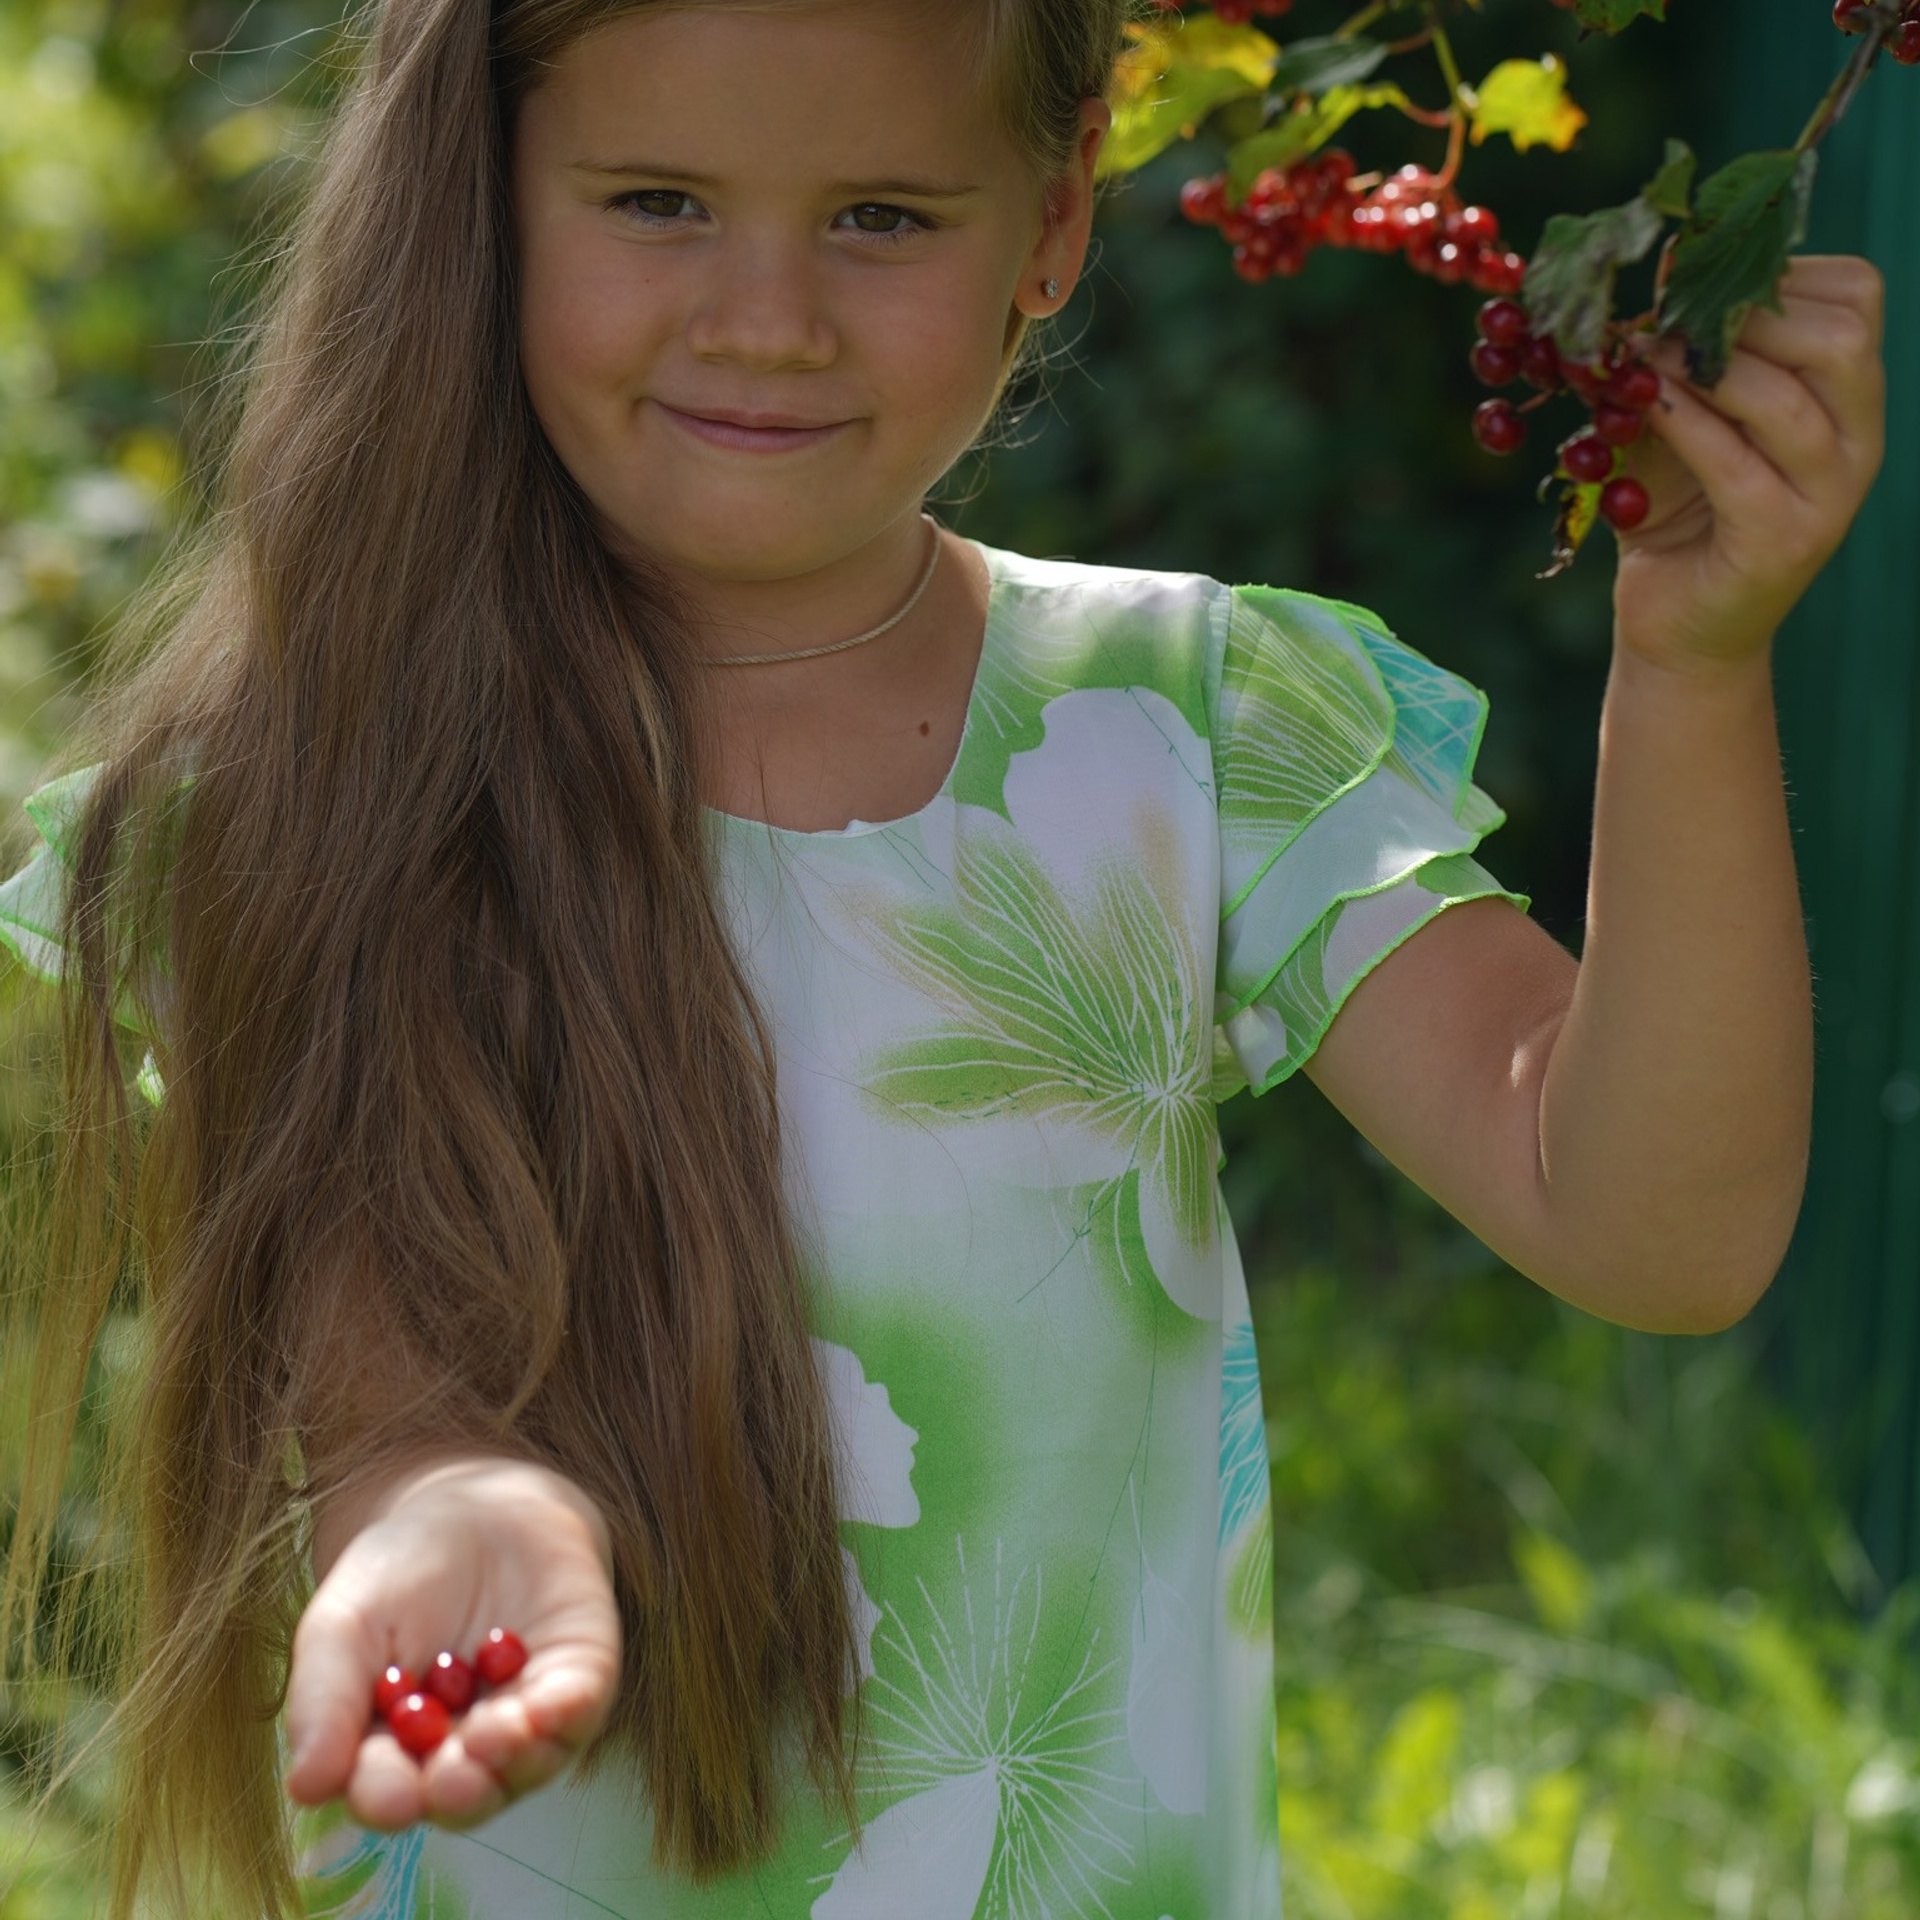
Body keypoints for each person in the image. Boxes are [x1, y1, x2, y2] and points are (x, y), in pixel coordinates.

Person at [0, 0, 1887, 1913]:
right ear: (481, 201)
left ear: (1053, 227)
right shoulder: (313, 802)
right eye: (657, 200)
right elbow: (393, 1397)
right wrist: (460, 1516)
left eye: (884, 217)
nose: (767, 316)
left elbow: (1655, 1227)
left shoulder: (1183, 726)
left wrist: (1694, 668)